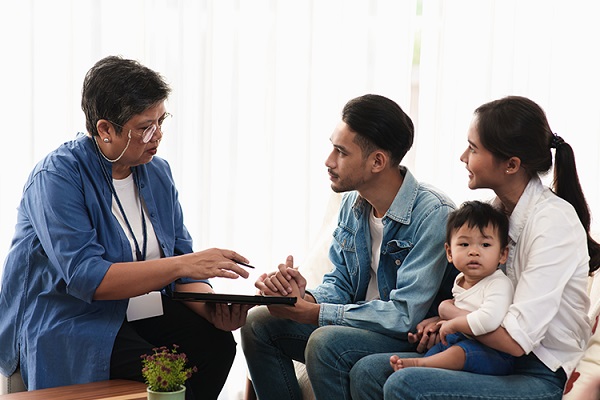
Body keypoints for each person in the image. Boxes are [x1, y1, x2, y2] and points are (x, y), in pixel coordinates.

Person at [0, 56, 254, 400]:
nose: (158, 136)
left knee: (216, 345)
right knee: (165, 371)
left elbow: (183, 270)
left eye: (161, 121)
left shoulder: (158, 173)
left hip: (138, 310)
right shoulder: (57, 177)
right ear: (105, 129)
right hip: (71, 316)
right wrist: (183, 265)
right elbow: (87, 278)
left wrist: (213, 309)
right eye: (145, 127)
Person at [349, 95, 600, 400]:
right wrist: (447, 321)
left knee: (404, 384)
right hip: (491, 356)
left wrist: (448, 312)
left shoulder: (552, 222)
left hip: (540, 373)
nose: (463, 156)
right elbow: (486, 299)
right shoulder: (495, 215)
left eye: (473, 148)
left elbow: (514, 341)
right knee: (368, 372)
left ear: (511, 165)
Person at [241, 94, 457, 400]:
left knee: (325, 342)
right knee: (258, 322)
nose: (329, 161)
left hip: (408, 338)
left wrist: (313, 313)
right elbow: (340, 282)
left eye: (341, 152)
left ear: (378, 161)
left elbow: (405, 316)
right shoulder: (353, 203)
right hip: (359, 327)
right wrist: (303, 296)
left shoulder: (434, 214)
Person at [390, 200, 515, 375]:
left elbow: (489, 320)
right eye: (464, 244)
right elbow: (460, 309)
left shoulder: (499, 283)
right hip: (462, 339)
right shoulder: (459, 280)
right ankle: (423, 364)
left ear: (502, 254)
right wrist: (438, 326)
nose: (474, 252)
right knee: (442, 347)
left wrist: (454, 323)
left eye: (485, 245)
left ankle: (420, 365)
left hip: (495, 353)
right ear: (449, 252)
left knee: (459, 353)